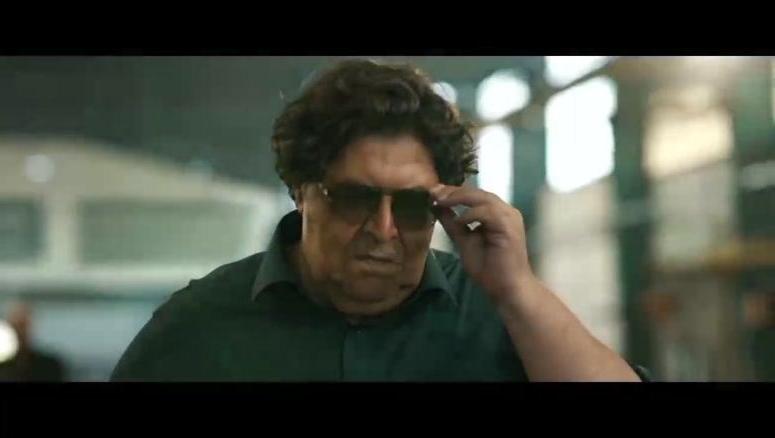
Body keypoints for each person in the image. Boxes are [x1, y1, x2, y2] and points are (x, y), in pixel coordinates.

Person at [111, 59, 650, 382]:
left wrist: (517, 291)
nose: (385, 229)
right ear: (301, 192)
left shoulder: (502, 317)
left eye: (413, 207)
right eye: (354, 199)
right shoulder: (198, 329)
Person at [0, 302, 66, 382]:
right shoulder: (0, 368)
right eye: (14, 326)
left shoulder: (50, 366)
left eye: (22, 326)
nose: (19, 332)